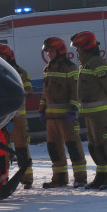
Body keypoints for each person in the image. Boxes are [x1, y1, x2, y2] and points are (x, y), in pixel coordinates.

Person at [71, 31, 107, 189]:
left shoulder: (96, 62)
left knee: (106, 145)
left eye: (78, 48)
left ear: (86, 47)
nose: (76, 51)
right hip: (90, 114)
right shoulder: (86, 63)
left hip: (101, 113)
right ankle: (102, 176)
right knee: (95, 147)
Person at [38, 37, 87, 188]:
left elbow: (75, 91)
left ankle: (80, 178)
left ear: (59, 50)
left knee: (73, 147)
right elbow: (45, 93)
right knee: (54, 149)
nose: (49, 54)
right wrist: (42, 109)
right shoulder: (48, 69)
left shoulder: (70, 68)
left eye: (51, 51)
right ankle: (59, 179)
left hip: (67, 118)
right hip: (51, 118)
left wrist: (73, 109)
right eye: (47, 52)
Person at [0, 44, 34, 188]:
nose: (0, 59)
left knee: (21, 147)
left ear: (10, 57)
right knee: (3, 149)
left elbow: (28, 90)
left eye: (2, 56)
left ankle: (26, 177)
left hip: (17, 118)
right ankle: (5, 178)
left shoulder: (20, 73)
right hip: (2, 118)